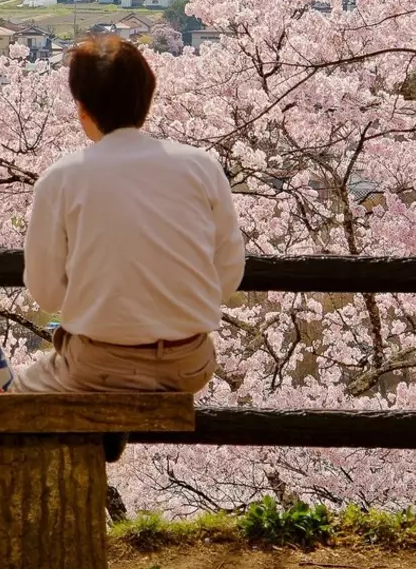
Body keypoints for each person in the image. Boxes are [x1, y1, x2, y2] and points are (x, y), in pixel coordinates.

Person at [14, 34, 245, 409]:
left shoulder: (61, 179)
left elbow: (47, 293)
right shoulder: (202, 167)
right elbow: (228, 273)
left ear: (82, 108)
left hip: (98, 366)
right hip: (190, 363)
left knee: (15, 395)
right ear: (147, 99)